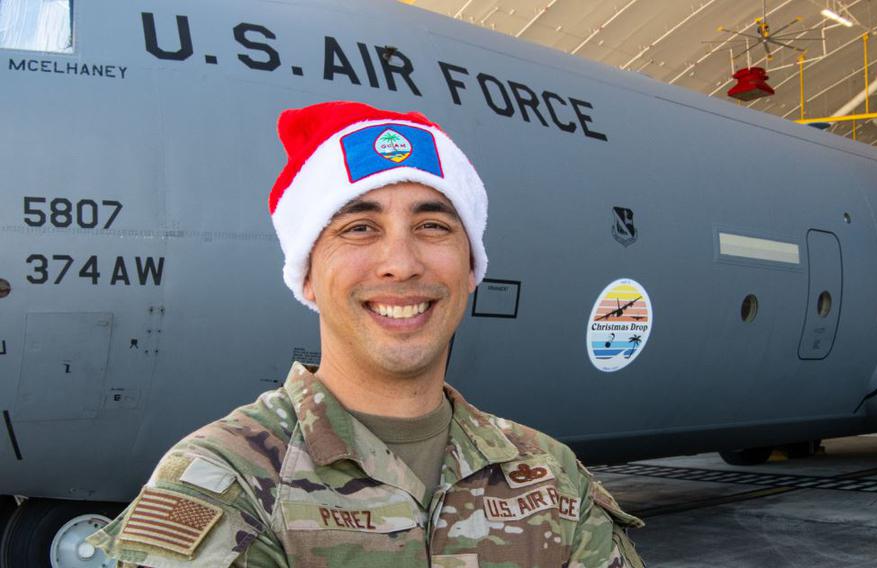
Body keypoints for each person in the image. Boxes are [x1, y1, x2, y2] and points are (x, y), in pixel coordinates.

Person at [87, 101, 645, 567]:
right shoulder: (228, 480)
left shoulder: (548, 474)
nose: (400, 264)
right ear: (306, 276)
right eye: (359, 228)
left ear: (470, 269)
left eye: (432, 226)